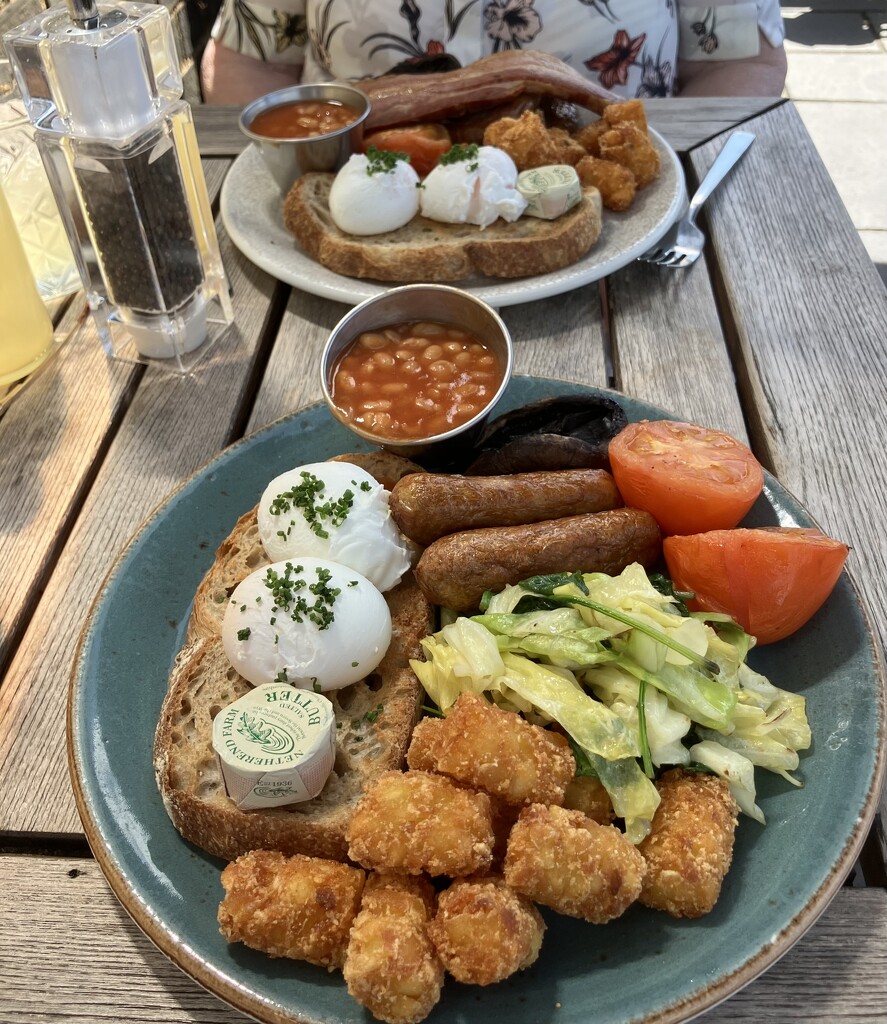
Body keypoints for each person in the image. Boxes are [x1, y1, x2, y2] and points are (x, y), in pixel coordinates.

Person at [201, 0, 787, 106]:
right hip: (351, 213)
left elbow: (737, 64)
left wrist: (662, 194)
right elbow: (251, 62)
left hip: (629, 236)